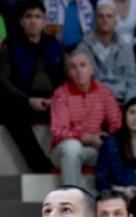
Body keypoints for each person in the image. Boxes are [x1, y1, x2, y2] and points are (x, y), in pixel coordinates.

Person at [0, 0, 64, 172]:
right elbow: (3, 79)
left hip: (53, 99)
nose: (33, 21)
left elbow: (64, 74)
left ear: (44, 21)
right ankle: (41, 166)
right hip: (22, 99)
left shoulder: (54, 44)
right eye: (29, 16)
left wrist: (57, 98)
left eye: (38, 17)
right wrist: (28, 100)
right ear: (21, 21)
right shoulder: (10, 45)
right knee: (13, 115)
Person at [49, 51, 122, 185]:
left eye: (83, 65)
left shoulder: (104, 93)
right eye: (73, 67)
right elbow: (58, 132)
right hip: (64, 150)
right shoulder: (60, 95)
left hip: (93, 149)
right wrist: (87, 138)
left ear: (91, 69)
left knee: (115, 148)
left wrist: (105, 140)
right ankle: (72, 195)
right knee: (73, 147)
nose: (78, 71)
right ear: (68, 72)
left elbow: (116, 124)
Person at [74, 4, 136, 104]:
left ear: (115, 22)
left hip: (121, 102)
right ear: (95, 21)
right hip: (93, 103)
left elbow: (132, 81)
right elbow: (79, 80)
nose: (105, 19)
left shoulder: (126, 48)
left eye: (109, 16)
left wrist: (129, 105)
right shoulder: (83, 48)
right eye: (101, 16)